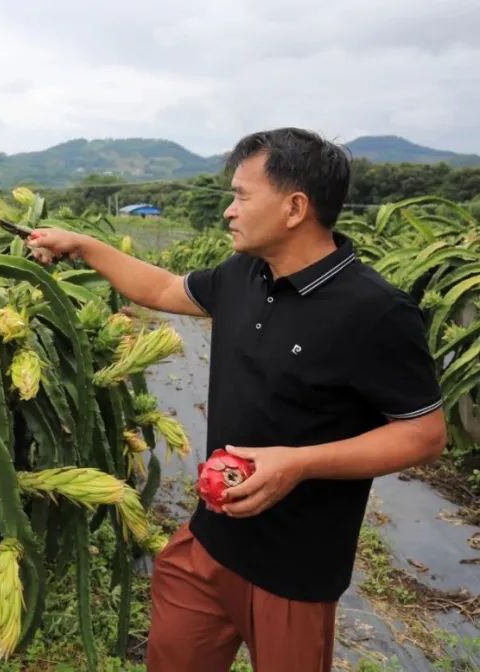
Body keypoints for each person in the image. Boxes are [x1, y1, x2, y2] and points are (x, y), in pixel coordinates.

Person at [28, 128, 446, 672]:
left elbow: (424, 435)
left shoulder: (376, 311)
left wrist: (298, 464)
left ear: (295, 207)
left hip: (295, 571)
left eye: (242, 196)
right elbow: (161, 289)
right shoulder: (244, 275)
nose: (228, 211)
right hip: (209, 539)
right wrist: (82, 244)